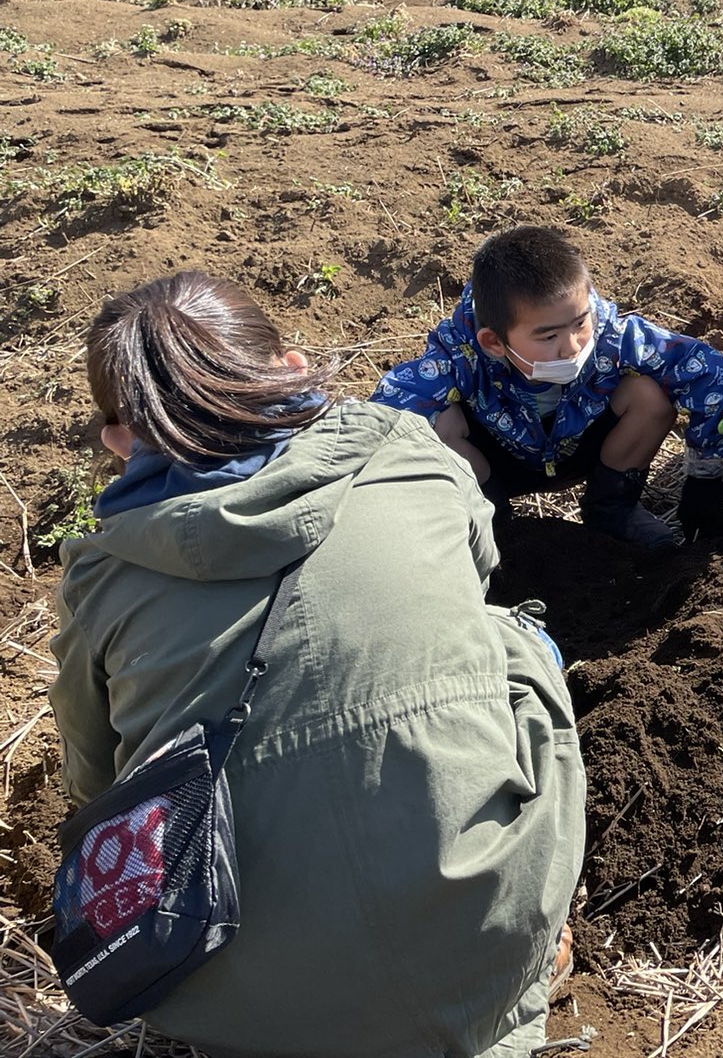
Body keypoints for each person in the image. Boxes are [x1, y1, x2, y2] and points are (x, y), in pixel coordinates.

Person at [50, 272, 585, 1058]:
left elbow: (95, 786)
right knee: (514, 638)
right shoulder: (407, 450)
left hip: (235, 1008)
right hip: (485, 945)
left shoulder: (99, 579)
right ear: (294, 367)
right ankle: (530, 943)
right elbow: (472, 573)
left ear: (121, 440)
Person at [375, 225, 723, 553]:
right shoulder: (459, 354)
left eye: (580, 323)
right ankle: (491, 522)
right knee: (436, 425)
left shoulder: (610, 336)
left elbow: (708, 371)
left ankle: (613, 508)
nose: (573, 346)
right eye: (548, 336)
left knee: (648, 394)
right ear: (494, 342)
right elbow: (386, 411)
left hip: (583, 452)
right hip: (497, 467)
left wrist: (705, 478)